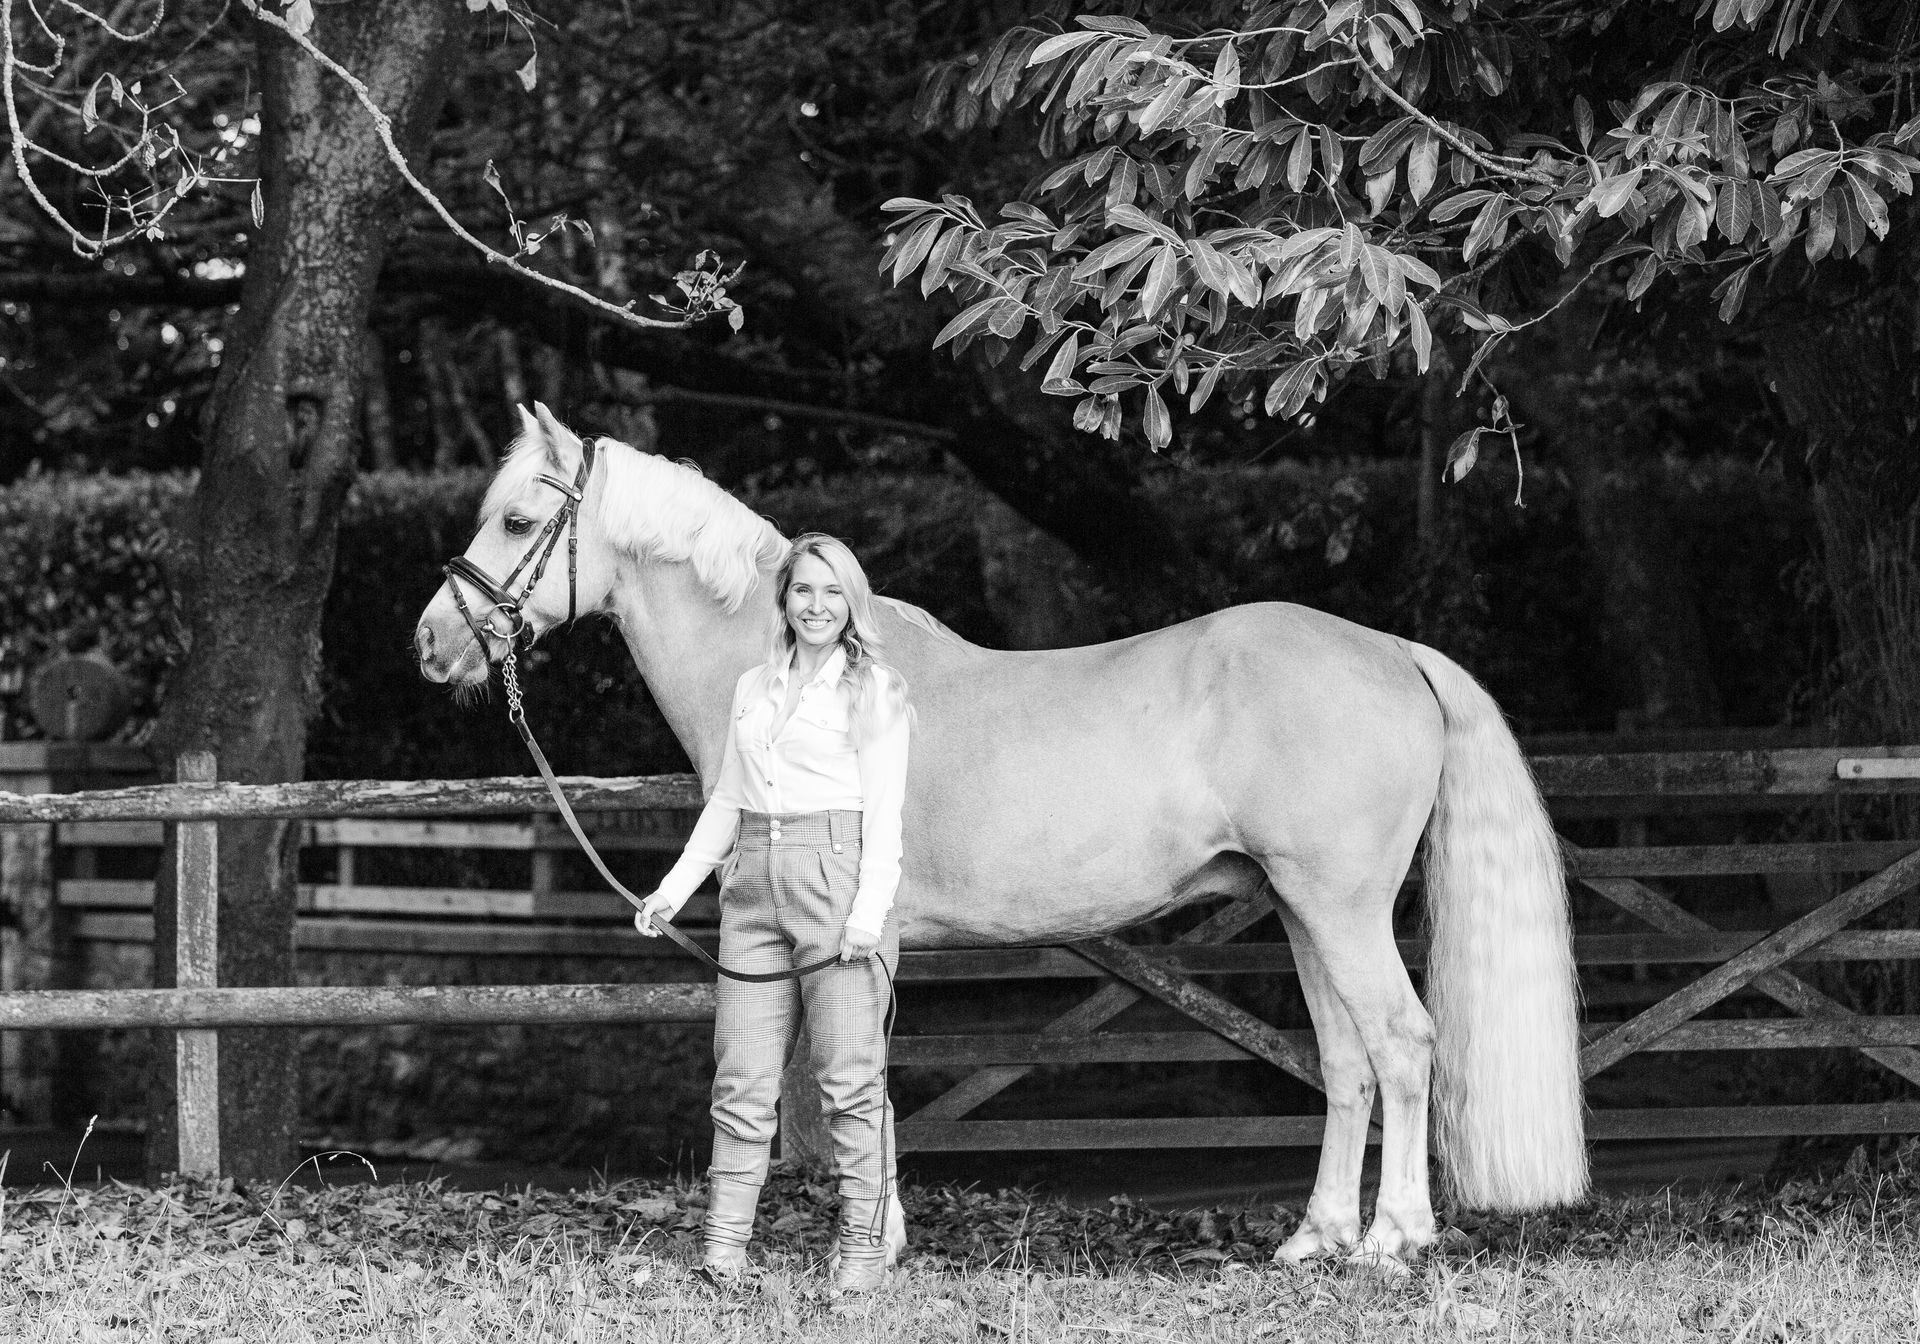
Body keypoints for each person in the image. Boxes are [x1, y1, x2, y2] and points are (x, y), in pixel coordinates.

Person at [637, 532, 911, 1295]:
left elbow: (885, 817)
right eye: (803, 591)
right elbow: (728, 797)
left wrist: (866, 914)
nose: (816, 606)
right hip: (751, 883)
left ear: (850, 602)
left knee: (849, 1081)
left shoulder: (875, 689)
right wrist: (675, 888)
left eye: (832, 592)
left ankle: (861, 1251)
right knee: (743, 1079)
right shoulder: (753, 686)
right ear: (784, 600)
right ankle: (722, 1252)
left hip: (839, 876)